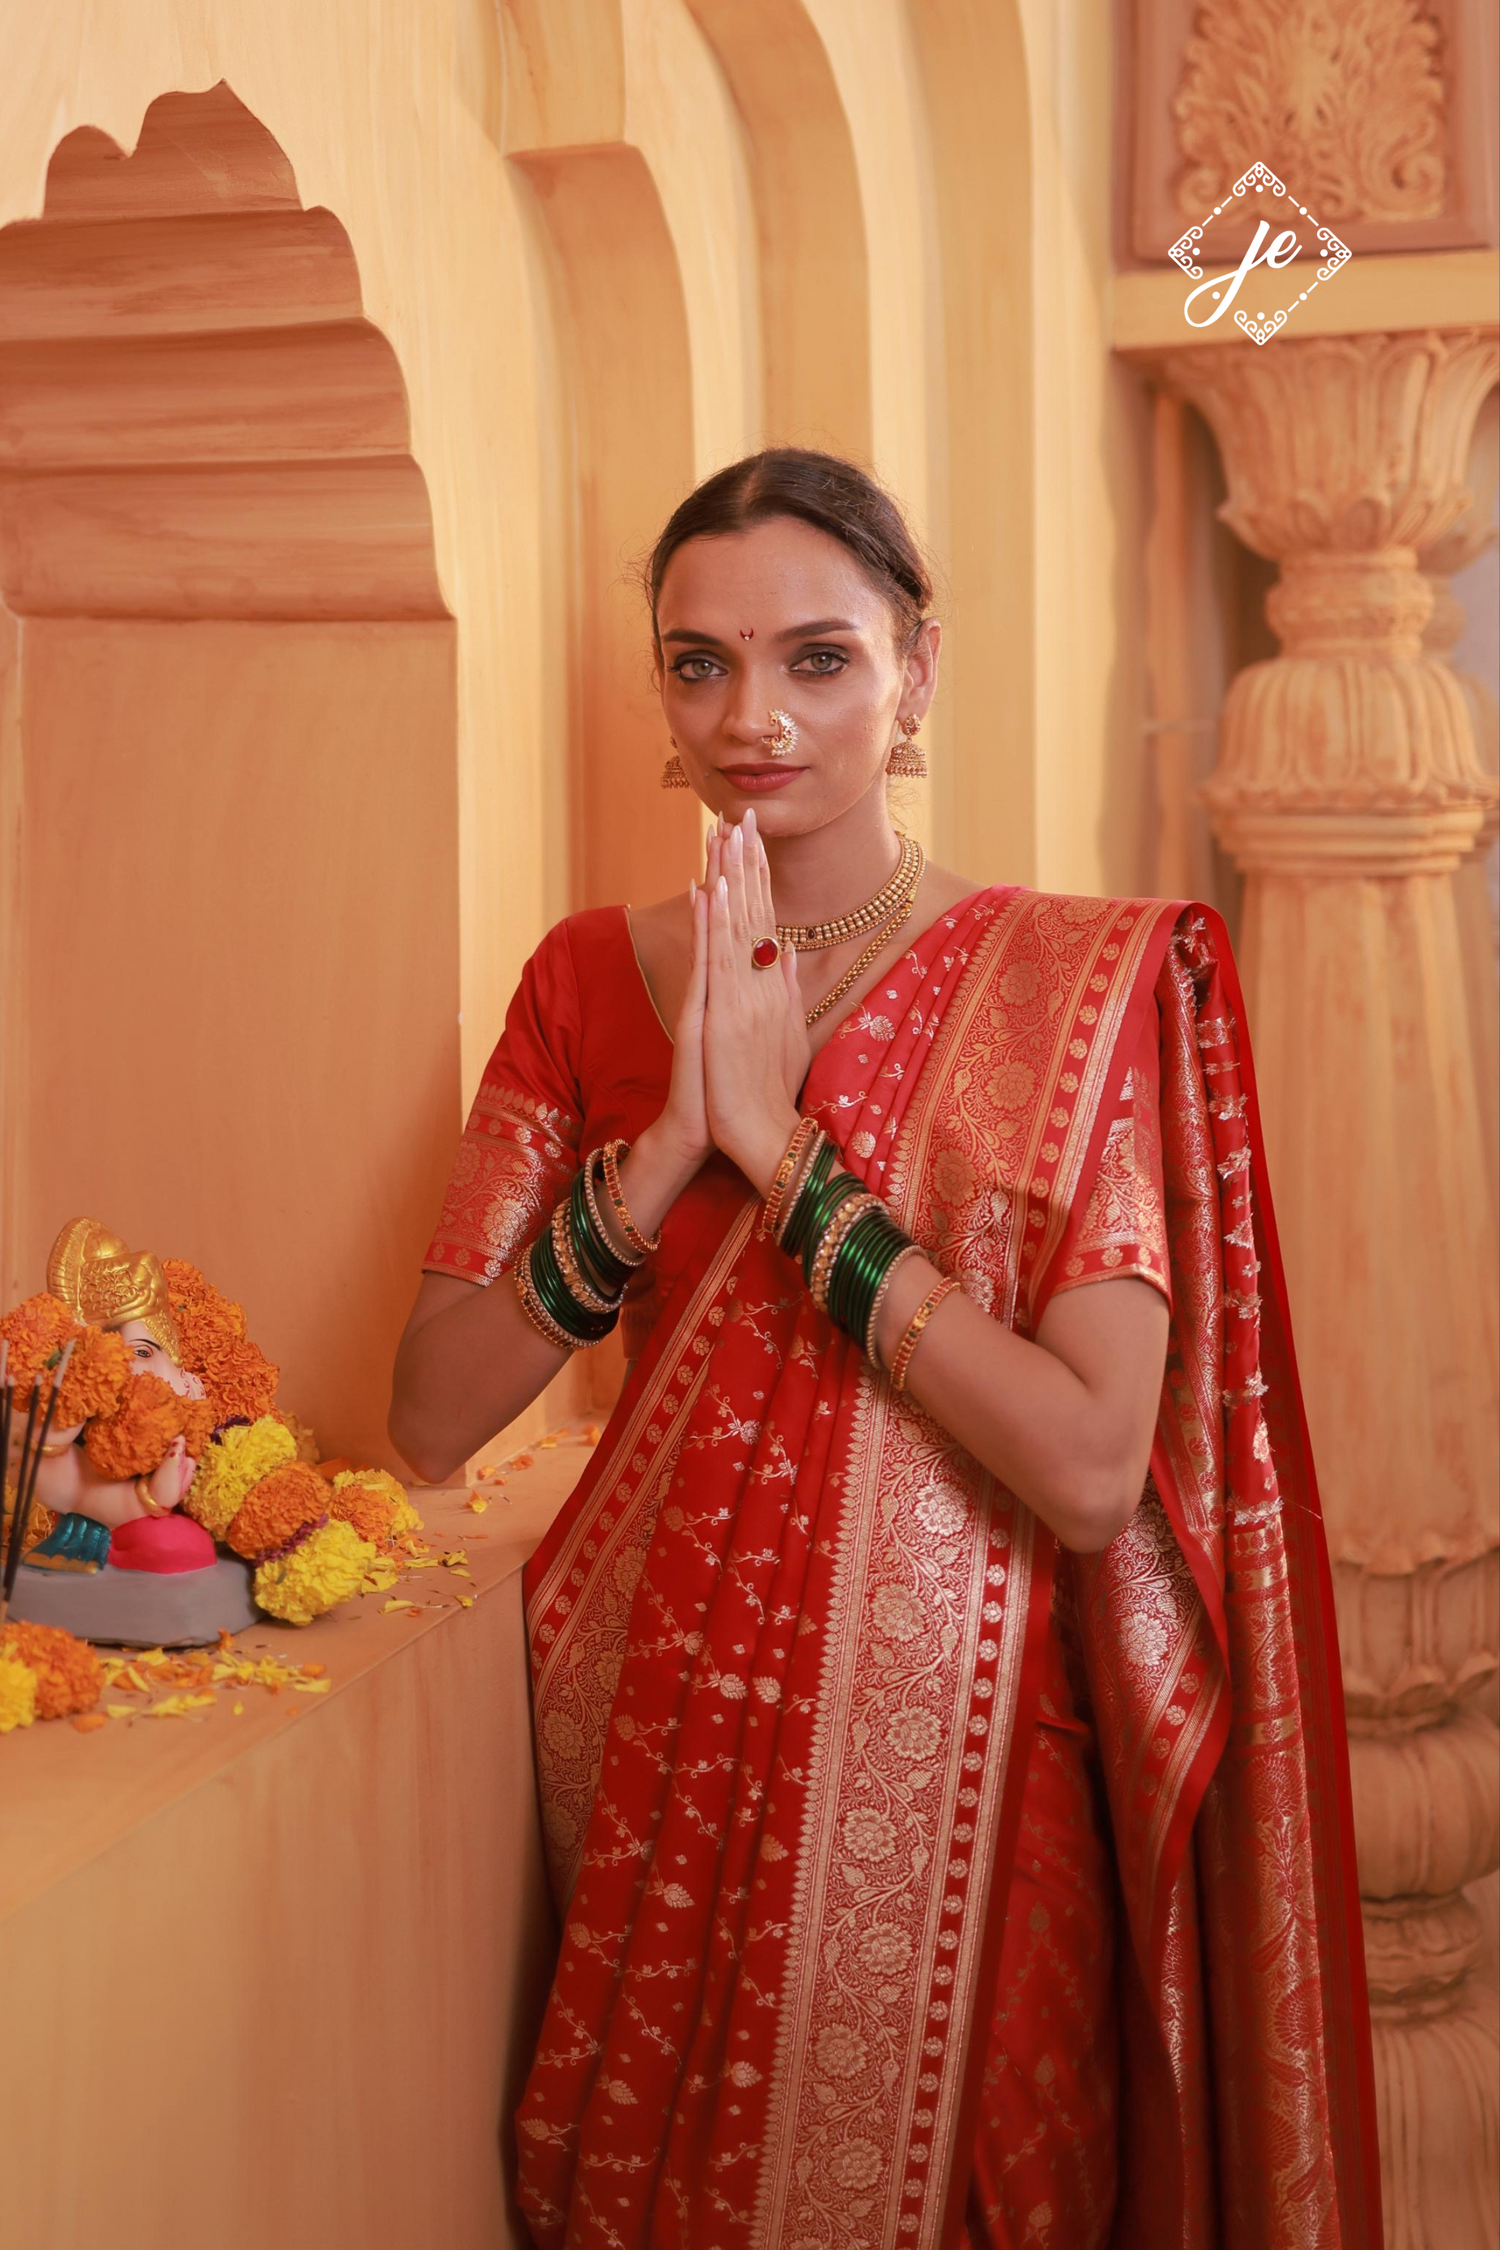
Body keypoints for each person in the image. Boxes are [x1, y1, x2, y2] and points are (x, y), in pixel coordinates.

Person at [390, 448, 1379, 2249]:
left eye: (817, 659)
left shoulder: (1066, 999)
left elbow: (1089, 1469)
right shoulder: (588, 983)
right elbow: (432, 1414)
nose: (753, 715)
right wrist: (674, 1145)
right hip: (656, 1739)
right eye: (701, 662)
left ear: (915, 673)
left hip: (979, 1796)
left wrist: (783, 1160)